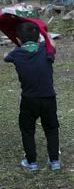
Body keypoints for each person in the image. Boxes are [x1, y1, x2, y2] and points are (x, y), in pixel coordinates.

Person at [4, 21, 60, 171]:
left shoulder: (16, 54)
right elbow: (52, 44)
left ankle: (32, 162)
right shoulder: (46, 50)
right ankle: (54, 161)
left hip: (29, 100)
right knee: (52, 128)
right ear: (38, 38)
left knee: (27, 130)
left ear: (19, 40)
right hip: (49, 98)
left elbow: (5, 57)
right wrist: (45, 34)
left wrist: (18, 44)